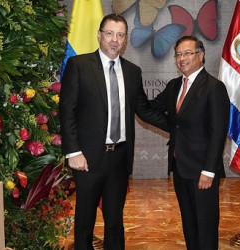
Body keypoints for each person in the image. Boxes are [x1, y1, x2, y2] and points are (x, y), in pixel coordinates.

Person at [59, 14, 167, 250]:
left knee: (115, 222)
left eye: (120, 35)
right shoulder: (79, 66)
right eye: (109, 33)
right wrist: (73, 151)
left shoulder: (132, 72)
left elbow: (144, 111)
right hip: (87, 158)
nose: (114, 40)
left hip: (119, 158)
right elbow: (66, 111)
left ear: (125, 39)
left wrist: (177, 127)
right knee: (85, 221)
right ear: (99, 35)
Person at [151, 36, 230, 250]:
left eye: (187, 53)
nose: (182, 58)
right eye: (178, 54)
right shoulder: (175, 85)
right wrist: (130, 97)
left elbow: (217, 133)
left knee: (205, 225)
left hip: (202, 171)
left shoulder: (214, 87)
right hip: (179, 167)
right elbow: (153, 109)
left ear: (201, 55)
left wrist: (209, 171)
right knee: (189, 223)